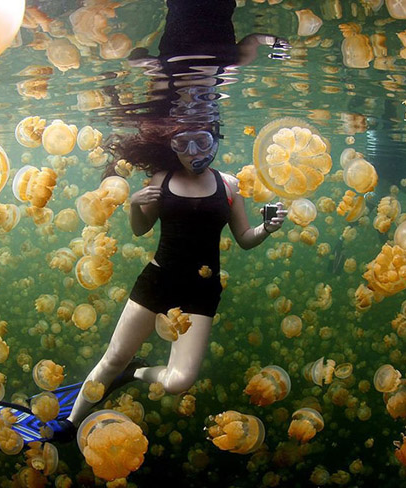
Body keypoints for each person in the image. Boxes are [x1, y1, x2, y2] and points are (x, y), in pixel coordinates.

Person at [56, 119, 287, 438]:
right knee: (112, 359)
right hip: (157, 281)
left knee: (180, 381)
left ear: (215, 139)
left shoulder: (230, 186)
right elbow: (140, 229)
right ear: (171, 146)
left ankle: (134, 373)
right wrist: (135, 204)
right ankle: (71, 423)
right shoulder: (162, 179)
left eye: (202, 142)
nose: (193, 152)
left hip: (201, 291)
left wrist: (267, 228)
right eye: (183, 144)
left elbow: (245, 237)